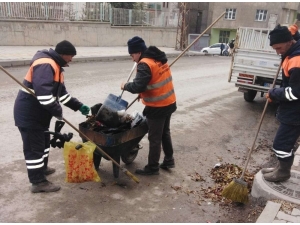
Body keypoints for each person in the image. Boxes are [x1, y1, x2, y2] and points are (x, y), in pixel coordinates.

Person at [13, 40, 90, 193]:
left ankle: (43, 168)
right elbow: (44, 96)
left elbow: (62, 95)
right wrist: (58, 112)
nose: (71, 59)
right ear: (63, 54)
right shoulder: (46, 64)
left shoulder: (56, 67)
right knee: (34, 149)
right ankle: (38, 182)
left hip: (39, 115)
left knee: (43, 143)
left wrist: (78, 106)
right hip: (29, 115)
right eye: (71, 56)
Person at [121, 36, 177, 175]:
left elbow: (138, 85)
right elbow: (154, 80)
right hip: (169, 102)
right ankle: (169, 160)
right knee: (165, 133)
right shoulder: (157, 58)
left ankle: (153, 168)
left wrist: (125, 86)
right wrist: (144, 92)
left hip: (157, 107)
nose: (132, 58)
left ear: (138, 52)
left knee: (155, 138)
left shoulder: (144, 63)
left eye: (132, 54)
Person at [262, 24, 300, 182]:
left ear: (289, 42)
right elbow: (295, 34)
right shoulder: (292, 48)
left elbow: (295, 93)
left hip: (296, 112)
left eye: (279, 48)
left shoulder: (297, 61)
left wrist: (273, 93)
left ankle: (283, 172)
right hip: (292, 110)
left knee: (281, 144)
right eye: (275, 49)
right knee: (283, 142)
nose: (278, 52)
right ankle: (280, 167)